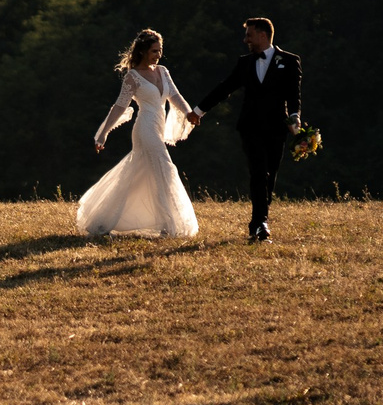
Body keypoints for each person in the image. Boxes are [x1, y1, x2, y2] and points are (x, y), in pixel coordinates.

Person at [78, 28, 201, 238]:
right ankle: (169, 224)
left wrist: (189, 113)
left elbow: (174, 95)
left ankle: (103, 222)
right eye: (154, 51)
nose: (158, 55)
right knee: (165, 167)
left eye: (160, 50)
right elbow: (119, 106)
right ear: (143, 51)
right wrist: (103, 132)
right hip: (145, 128)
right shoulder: (132, 77)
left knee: (138, 175)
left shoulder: (163, 71)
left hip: (158, 126)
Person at [191, 16, 303, 243]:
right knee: (258, 172)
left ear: (262, 35)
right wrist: (198, 110)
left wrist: (295, 118)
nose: (245, 40)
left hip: (276, 128)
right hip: (250, 127)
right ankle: (259, 223)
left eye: (249, 35)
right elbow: (225, 88)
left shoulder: (289, 61)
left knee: (270, 174)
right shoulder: (244, 63)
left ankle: (261, 220)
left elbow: (294, 95)